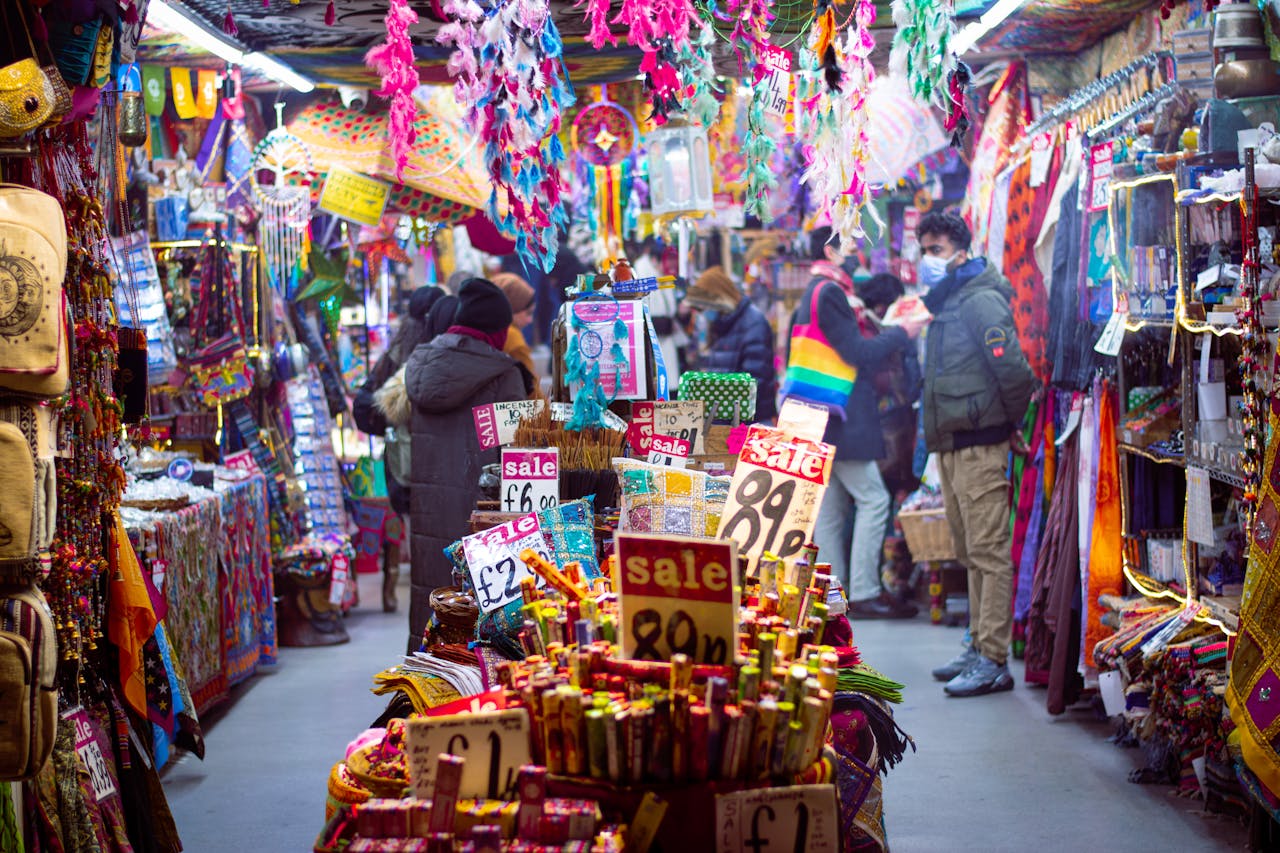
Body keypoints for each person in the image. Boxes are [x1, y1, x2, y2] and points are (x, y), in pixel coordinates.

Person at [916, 211, 1035, 698]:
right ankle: (977, 643)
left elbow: (1016, 374)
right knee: (968, 551)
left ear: (961, 251)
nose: (929, 260)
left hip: (979, 443)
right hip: (952, 445)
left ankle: (993, 659)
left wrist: (1006, 425)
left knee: (988, 553)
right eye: (924, 250)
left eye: (937, 250)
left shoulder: (981, 299)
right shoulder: (950, 298)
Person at [786, 228, 927, 619]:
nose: (857, 256)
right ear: (831, 250)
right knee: (873, 498)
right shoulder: (830, 293)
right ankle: (862, 592)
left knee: (830, 510)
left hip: (822, 418)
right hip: (841, 419)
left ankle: (835, 595)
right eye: (850, 247)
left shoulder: (819, 291)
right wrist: (902, 333)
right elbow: (858, 353)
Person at [403, 278, 532, 652]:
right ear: (495, 328)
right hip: (482, 507)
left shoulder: (421, 363)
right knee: (473, 605)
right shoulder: (503, 372)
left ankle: (425, 676)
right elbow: (516, 450)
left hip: (427, 506)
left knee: (431, 595)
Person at [350, 285, 445, 613]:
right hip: (431, 455)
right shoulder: (434, 352)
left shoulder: (396, 350)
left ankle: (420, 583)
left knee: (416, 526)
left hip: (402, 459)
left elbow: (368, 400)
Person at [683, 265, 778, 422]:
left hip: (752, 422)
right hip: (726, 419)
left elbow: (755, 381)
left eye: (706, 306)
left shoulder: (753, 323)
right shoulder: (721, 324)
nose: (705, 312)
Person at [491, 271, 542, 395]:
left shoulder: (488, 329)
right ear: (513, 307)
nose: (530, 320)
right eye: (528, 313)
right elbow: (531, 388)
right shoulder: (512, 338)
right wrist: (545, 412)